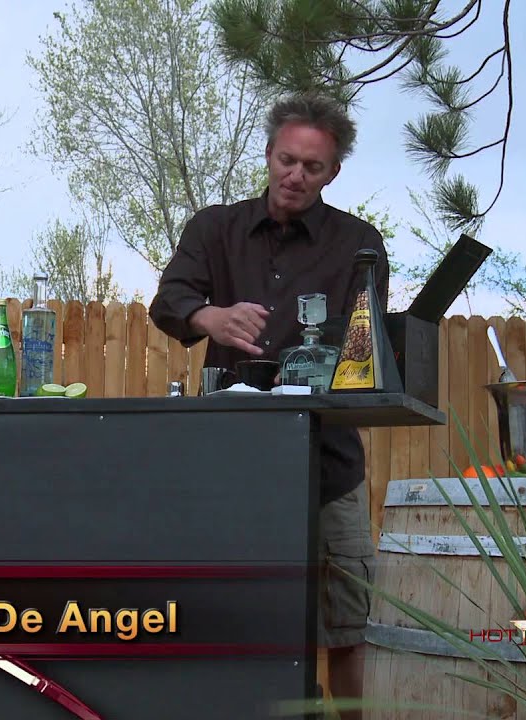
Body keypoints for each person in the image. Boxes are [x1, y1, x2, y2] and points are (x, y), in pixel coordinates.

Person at [148, 92, 389, 718]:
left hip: (328, 466)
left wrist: (325, 363)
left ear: (332, 173)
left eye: (312, 167)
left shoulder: (359, 244)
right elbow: (169, 300)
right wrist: (210, 317)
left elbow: (366, 344)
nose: (296, 176)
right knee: (231, 618)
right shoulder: (214, 229)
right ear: (268, 154)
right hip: (229, 468)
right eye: (287, 160)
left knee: (348, 625)